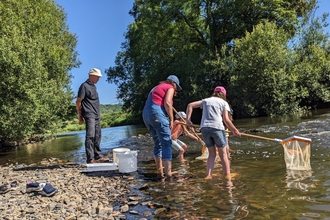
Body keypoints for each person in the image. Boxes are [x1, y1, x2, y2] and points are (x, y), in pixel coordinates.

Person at [186, 86, 241, 180]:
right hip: (217, 128)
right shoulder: (224, 103)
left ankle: (208, 175)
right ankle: (227, 175)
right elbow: (226, 120)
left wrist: (188, 120)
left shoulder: (206, 101)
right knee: (223, 154)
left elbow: (190, 105)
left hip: (204, 128)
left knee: (212, 154)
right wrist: (234, 130)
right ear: (224, 94)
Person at [142, 75, 182, 179]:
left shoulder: (155, 88)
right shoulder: (170, 87)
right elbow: (168, 103)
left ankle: (160, 173)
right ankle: (169, 175)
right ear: (174, 83)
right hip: (157, 114)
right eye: (177, 87)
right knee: (166, 143)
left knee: (158, 143)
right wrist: (172, 119)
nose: (176, 90)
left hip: (146, 115)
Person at [76, 68, 108, 164]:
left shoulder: (94, 87)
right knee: (90, 135)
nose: (98, 79)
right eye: (97, 77)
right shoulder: (84, 86)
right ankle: (90, 159)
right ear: (92, 76)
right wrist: (80, 116)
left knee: (98, 135)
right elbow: (78, 102)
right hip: (89, 114)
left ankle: (98, 156)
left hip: (96, 114)